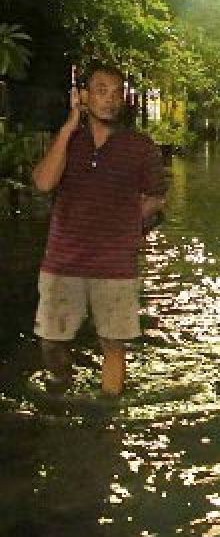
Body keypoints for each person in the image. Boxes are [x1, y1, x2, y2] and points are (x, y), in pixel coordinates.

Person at [31, 63, 168, 396]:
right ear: (83, 96)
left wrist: (128, 228)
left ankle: (108, 414)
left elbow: (156, 197)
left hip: (115, 264)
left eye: (116, 92)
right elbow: (44, 182)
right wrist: (67, 128)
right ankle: (62, 384)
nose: (110, 99)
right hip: (63, 260)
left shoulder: (140, 146)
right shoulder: (66, 141)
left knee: (113, 343)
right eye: (101, 90)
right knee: (51, 342)